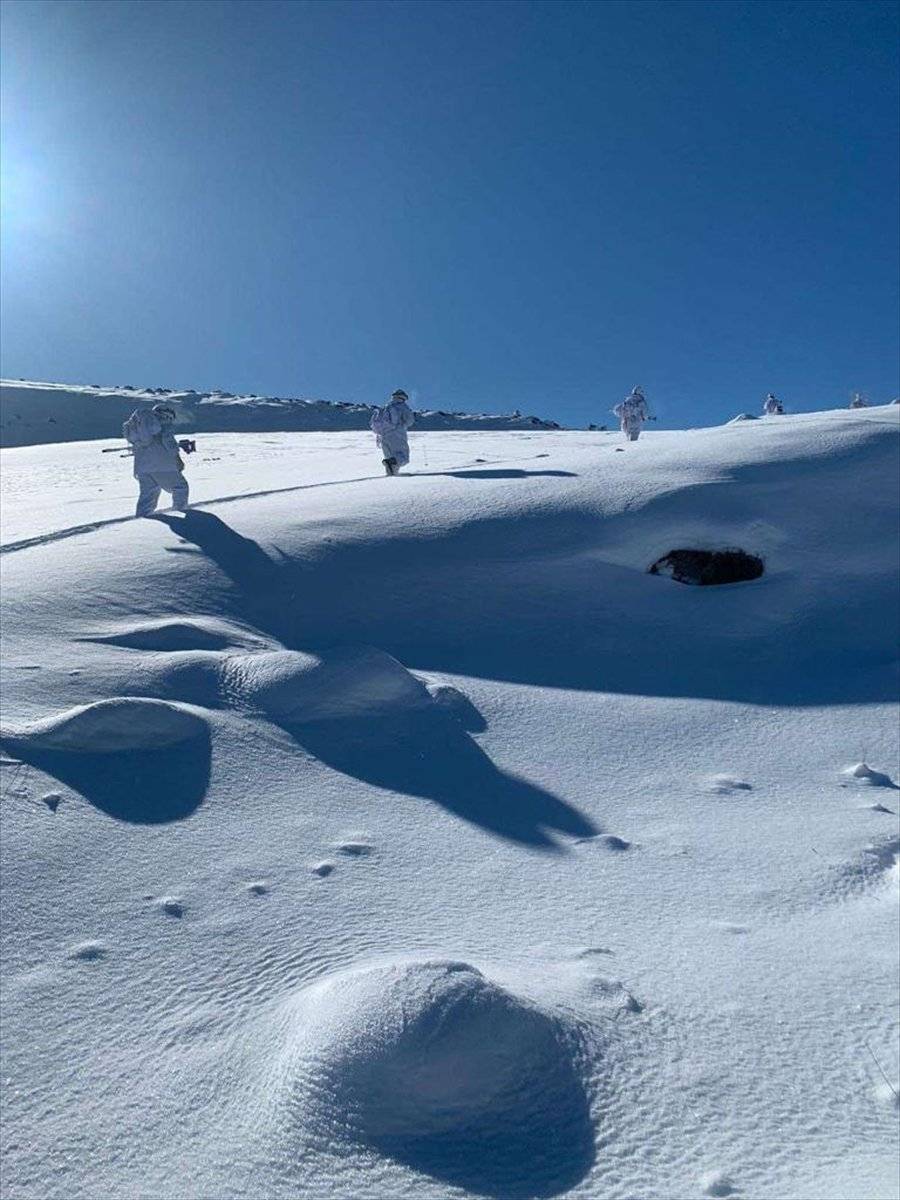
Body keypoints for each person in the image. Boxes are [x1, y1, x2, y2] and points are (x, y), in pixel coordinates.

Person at [123, 403, 190, 517]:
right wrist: (177, 458)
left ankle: (142, 519)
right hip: (162, 465)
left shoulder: (140, 427)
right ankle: (181, 511)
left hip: (142, 468)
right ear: (166, 414)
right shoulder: (162, 424)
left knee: (148, 494)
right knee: (180, 487)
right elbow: (168, 442)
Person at [370, 388, 415, 475]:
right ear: (403, 397)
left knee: (389, 457)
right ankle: (392, 472)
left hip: (383, 436)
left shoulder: (386, 407)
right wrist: (403, 425)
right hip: (397, 434)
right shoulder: (402, 406)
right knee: (403, 457)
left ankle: (391, 475)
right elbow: (410, 420)